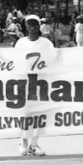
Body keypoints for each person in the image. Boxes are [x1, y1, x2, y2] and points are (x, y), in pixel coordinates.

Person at [14, 14, 54, 156]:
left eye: (35, 24)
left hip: (41, 81)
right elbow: (15, 61)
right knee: (26, 112)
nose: (32, 27)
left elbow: (52, 59)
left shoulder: (46, 43)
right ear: (26, 26)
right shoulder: (20, 43)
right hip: (25, 81)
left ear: (39, 26)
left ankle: (34, 144)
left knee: (39, 113)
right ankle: (23, 141)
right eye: (29, 24)